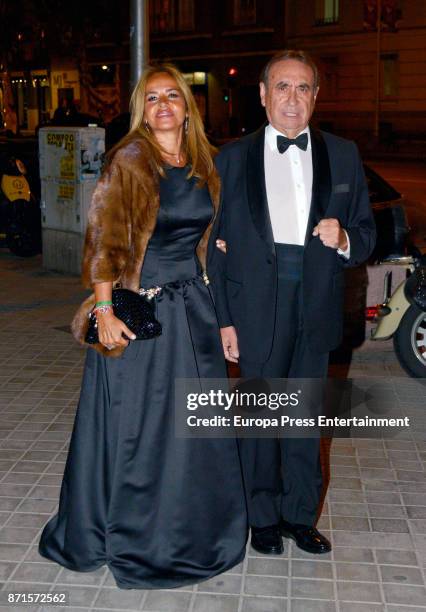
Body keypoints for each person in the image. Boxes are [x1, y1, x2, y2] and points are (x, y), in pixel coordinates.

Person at [38, 63, 247, 589]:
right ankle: (136, 536)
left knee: (193, 430)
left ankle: (191, 531)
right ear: (142, 110)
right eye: (151, 99)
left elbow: (211, 234)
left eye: (171, 96)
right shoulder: (129, 161)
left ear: (187, 105)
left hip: (193, 311)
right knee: (143, 430)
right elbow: (105, 240)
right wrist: (104, 311)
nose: (162, 106)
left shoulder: (205, 162)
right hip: (141, 313)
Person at [210, 50, 376, 556]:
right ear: (262, 95)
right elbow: (213, 248)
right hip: (256, 303)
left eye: (303, 88)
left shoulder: (343, 154)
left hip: (316, 302)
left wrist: (345, 236)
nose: (292, 98)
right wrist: (224, 321)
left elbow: (368, 234)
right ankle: (261, 517)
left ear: (316, 97)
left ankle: (299, 516)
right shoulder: (231, 158)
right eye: (282, 87)